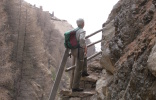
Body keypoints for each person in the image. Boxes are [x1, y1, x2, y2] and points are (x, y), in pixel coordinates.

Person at [71, 18, 89, 92]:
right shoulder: (82, 31)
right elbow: (82, 39)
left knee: (85, 57)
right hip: (79, 50)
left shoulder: (74, 30)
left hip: (74, 50)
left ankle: (84, 72)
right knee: (78, 68)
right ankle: (75, 87)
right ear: (83, 24)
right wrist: (84, 47)